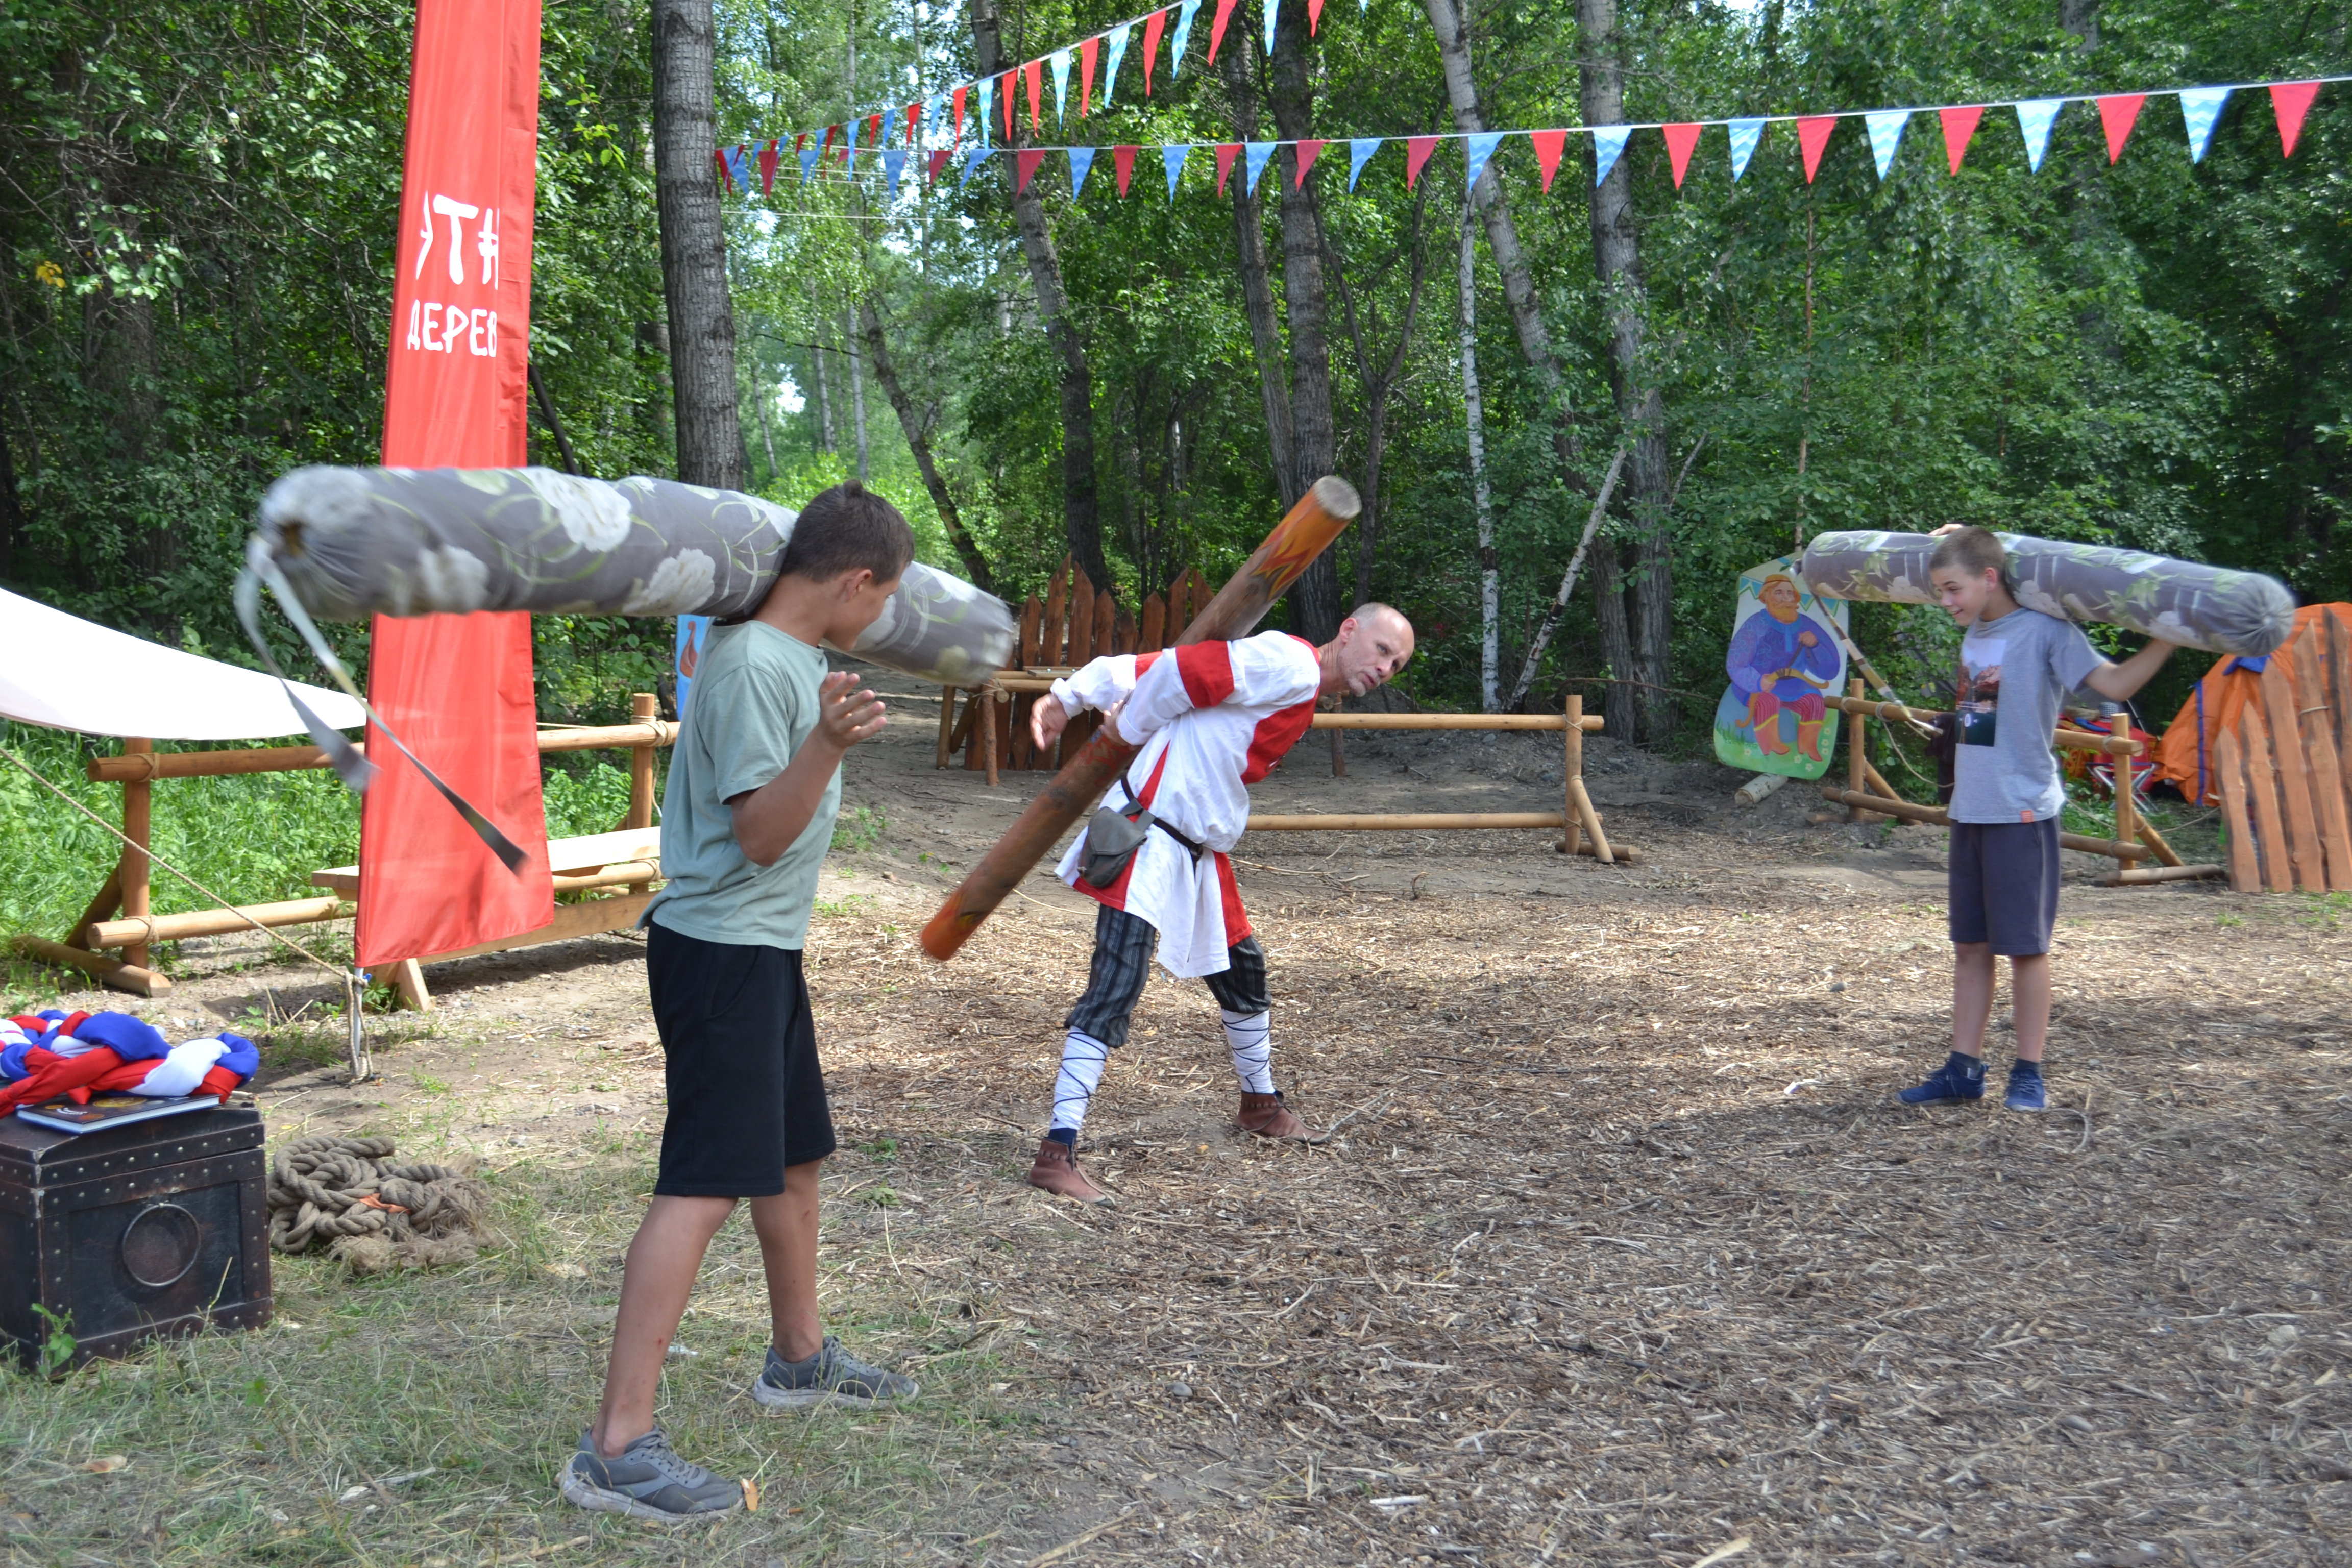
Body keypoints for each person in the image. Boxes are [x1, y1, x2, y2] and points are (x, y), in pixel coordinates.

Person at [560, 481, 920, 1522]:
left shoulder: (785, 658)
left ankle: (799, 1360)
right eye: (882, 597)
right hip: (722, 952)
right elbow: (761, 833)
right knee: (703, 1187)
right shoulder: (759, 665)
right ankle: (616, 1447)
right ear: (855, 581)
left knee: (794, 1158)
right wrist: (829, 745)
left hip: (759, 950)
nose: (881, 618)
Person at [1023, 604, 1416, 1203]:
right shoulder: (1290, 662)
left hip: (1198, 851)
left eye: (1399, 663)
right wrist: (1111, 726)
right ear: (1348, 631)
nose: (1387, 667)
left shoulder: (1301, 687)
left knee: (1244, 975)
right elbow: (1179, 674)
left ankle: (1259, 1106)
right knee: (1116, 986)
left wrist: (1070, 697)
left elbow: (1154, 668)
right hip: (1149, 836)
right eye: (1383, 649)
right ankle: (1056, 1152)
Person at [1899, 525, 2176, 1114]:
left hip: (2021, 813)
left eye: (1953, 588)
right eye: (1939, 590)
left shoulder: (2048, 631)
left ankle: (2028, 1073)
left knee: (2026, 948)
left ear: (1990, 578)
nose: (1945, 601)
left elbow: (2114, 684)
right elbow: (1985, 722)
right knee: (1970, 948)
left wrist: (2167, 638)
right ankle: (1963, 1070)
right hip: (1971, 811)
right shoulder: (1975, 634)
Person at [1725, 573, 1842, 761]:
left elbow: (1830, 670)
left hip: (1794, 684)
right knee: (1768, 701)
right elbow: (1736, 663)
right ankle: (1770, 749)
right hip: (1759, 684)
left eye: (1790, 594)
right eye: (1779, 593)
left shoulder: (1805, 624)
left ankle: (1808, 747)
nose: (1786, 599)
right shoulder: (1756, 624)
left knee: (1814, 701)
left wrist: (1816, 646)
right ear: (1766, 597)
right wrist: (1757, 681)